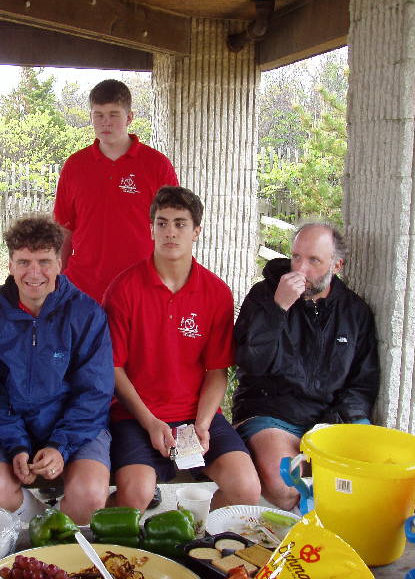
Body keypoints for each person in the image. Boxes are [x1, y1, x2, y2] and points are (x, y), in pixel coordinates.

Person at [103, 186, 261, 512]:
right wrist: (150, 422)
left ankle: (198, 541)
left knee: (246, 488)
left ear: (196, 231)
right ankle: (108, 534)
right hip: (136, 416)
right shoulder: (124, 289)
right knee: (136, 496)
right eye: (161, 223)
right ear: (151, 229)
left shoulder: (216, 292)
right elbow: (113, 369)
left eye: (180, 223)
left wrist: (202, 425)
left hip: (196, 415)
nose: (170, 233)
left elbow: (218, 370)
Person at [232, 222, 379, 510]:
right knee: (287, 488)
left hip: (326, 420)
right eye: (296, 257)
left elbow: (362, 382)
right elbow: (249, 363)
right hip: (270, 413)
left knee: (363, 483)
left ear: (336, 265)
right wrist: (278, 309)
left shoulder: (354, 312)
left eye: (313, 260)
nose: (300, 269)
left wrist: (353, 422)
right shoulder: (264, 295)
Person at [0, 215, 114, 525]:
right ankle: (38, 525)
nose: (34, 273)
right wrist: (16, 445)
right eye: (24, 262)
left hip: (76, 429)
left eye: (44, 261)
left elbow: (94, 391)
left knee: (90, 496)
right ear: (10, 264)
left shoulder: (86, 313)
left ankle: (59, 546)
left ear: (60, 263)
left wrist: (60, 446)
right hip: (9, 428)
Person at [53, 79, 178, 303]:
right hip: (83, 286)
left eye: (114, 114)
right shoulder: (75, 165)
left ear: (129, 117)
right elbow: (64, 228)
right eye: (99, 115)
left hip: (141, 286)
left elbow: (174, 226)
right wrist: (57, 277)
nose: (106, 122)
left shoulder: (157, 165)